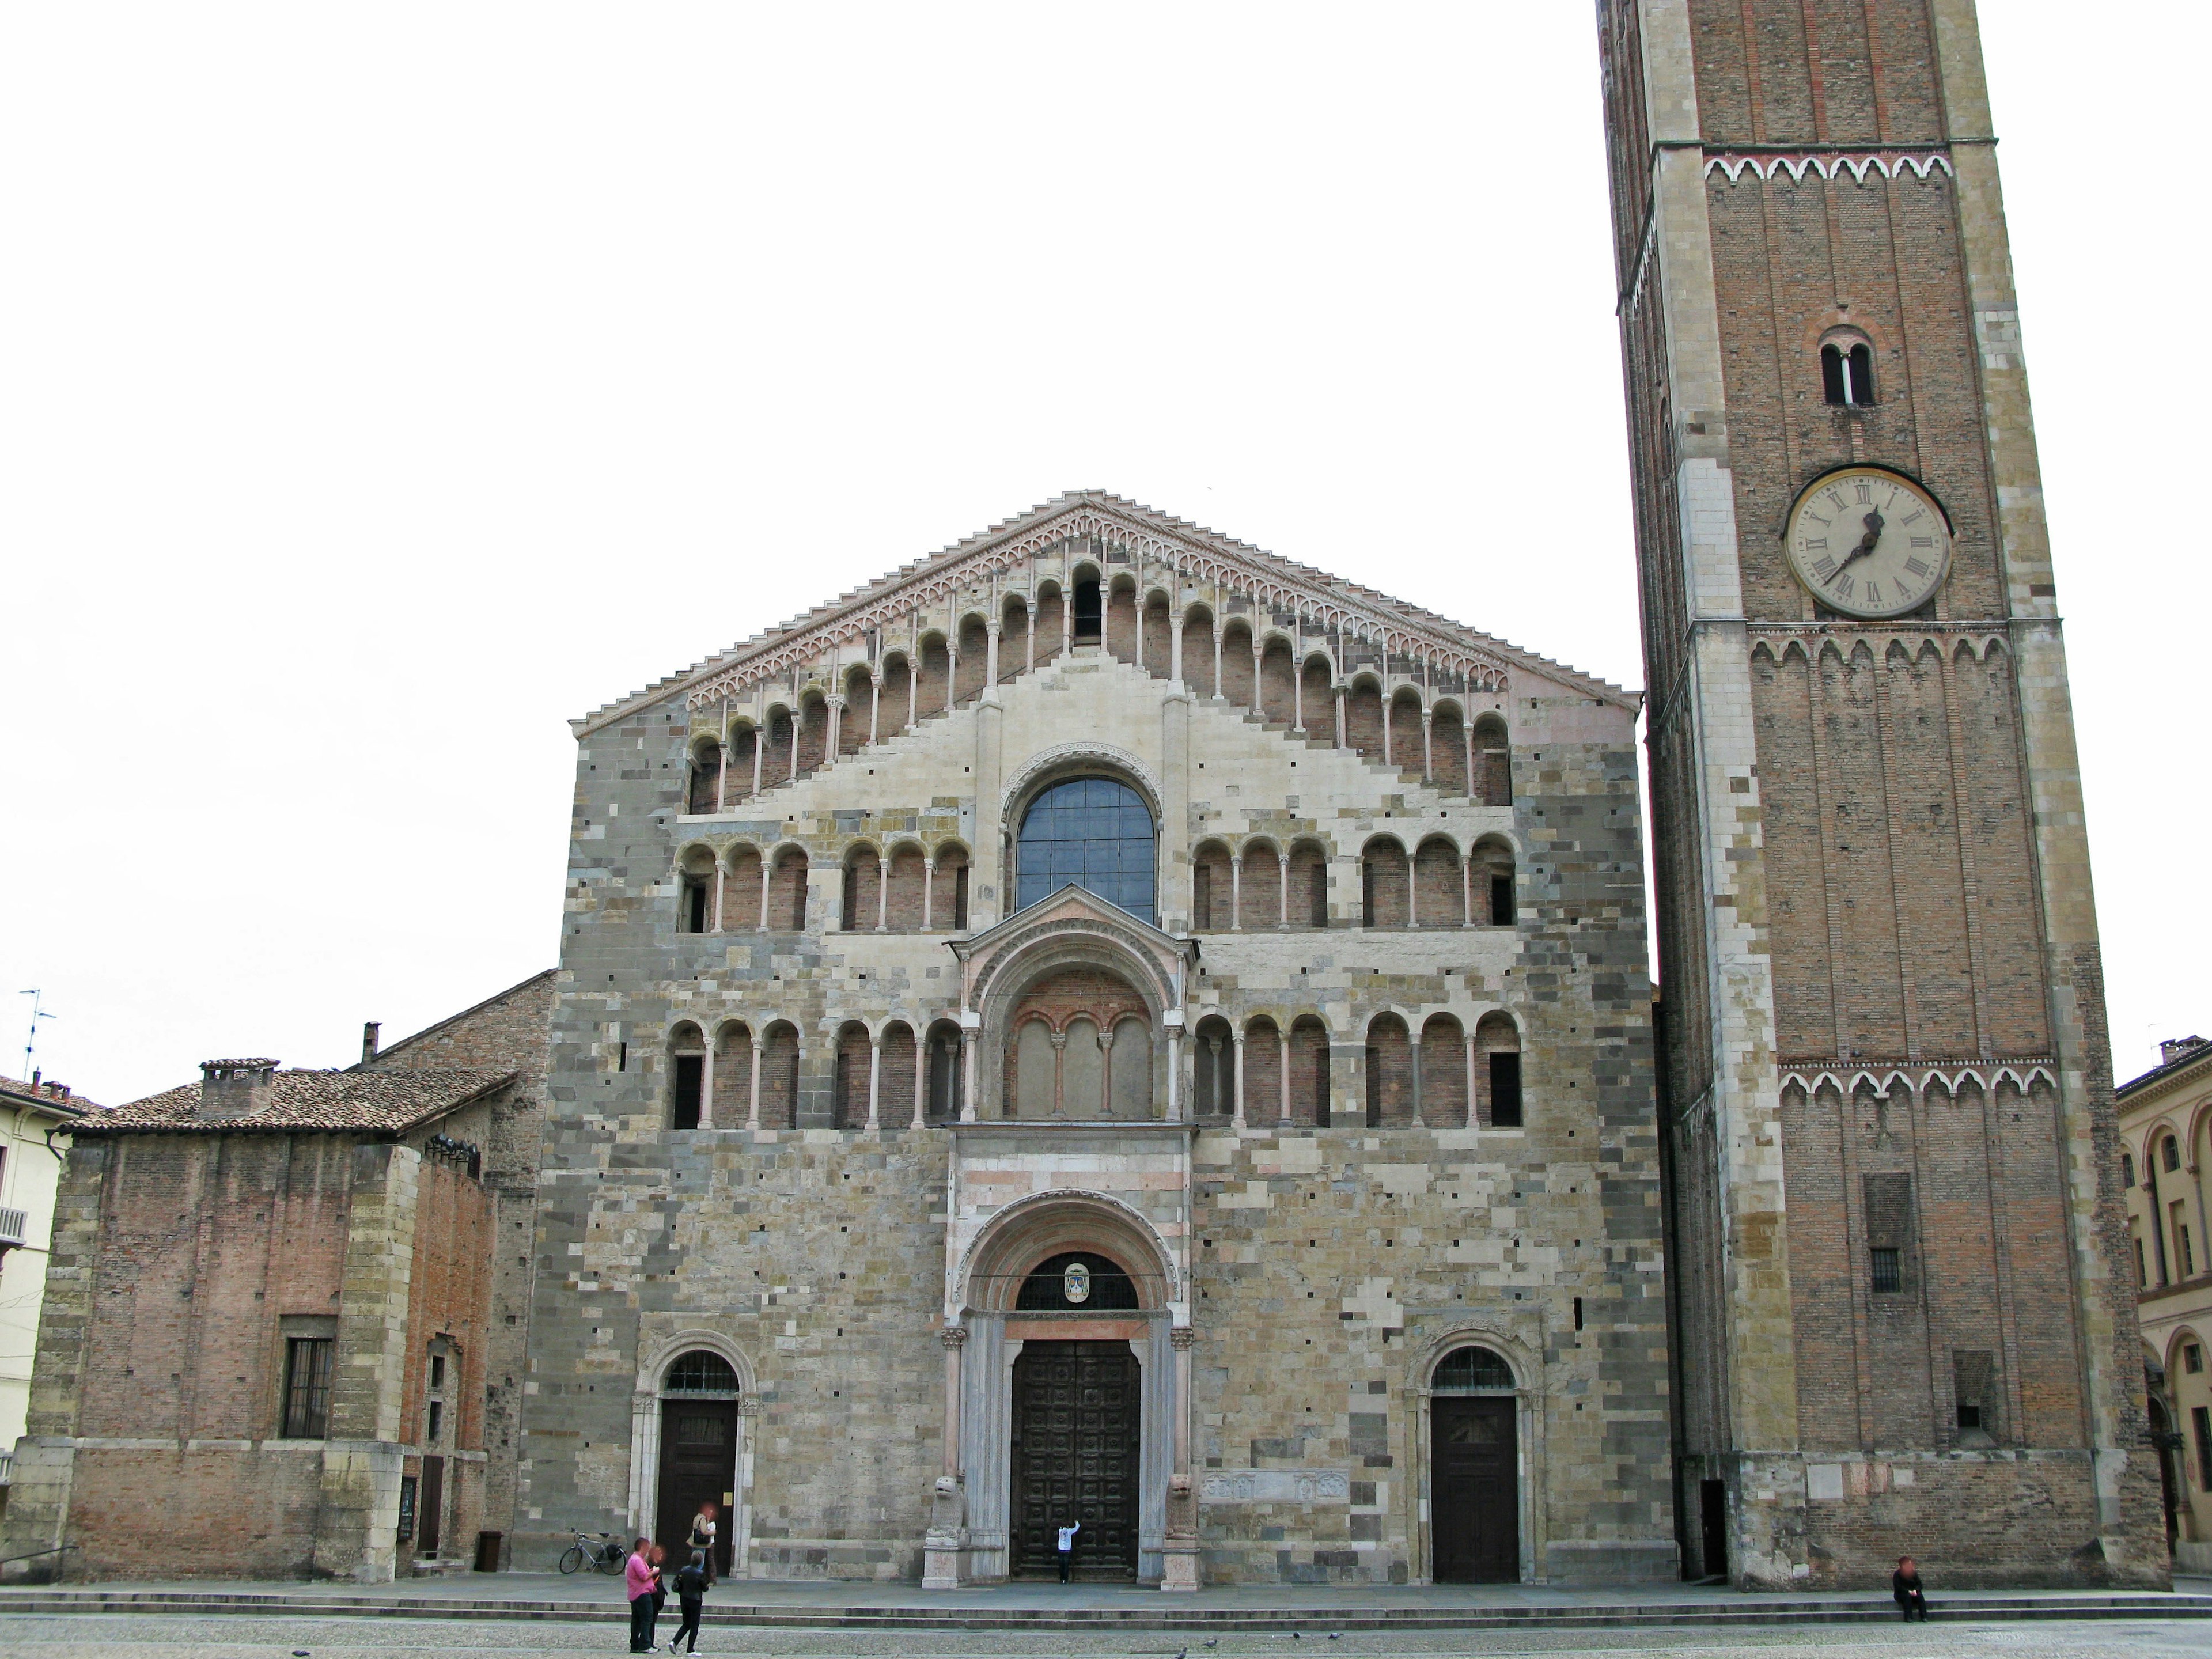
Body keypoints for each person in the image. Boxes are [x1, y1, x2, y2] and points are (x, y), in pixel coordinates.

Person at [668, 1548, 710, 1654]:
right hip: (695, 1600)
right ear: (701, 1561)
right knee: (694, 1625)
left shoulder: (684, 1570)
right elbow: (705, 1588)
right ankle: (690, 1650)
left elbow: (677, 1583)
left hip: (684, 1598)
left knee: (686, 1623)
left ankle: (674, 1642)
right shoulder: (700, 1573)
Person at [625, 1538, 657, 1654]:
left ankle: (635, 1644)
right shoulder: (637, 1560)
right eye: (647, 1548)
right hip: (641, 1593)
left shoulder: (635, 1559)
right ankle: (645, 1644)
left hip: (636, 1593)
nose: (648, 1551)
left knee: (637, 1620)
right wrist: (653, 1572)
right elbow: (644, 1576)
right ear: (642, 1547)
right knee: (647, 1618)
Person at [687, 1500, 719, 1588]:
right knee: (700, 1562)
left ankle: (701, 1579)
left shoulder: (697, 1517)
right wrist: (712, 1532)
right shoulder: (702, 1519)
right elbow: (704, 1531)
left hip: (697, 1543)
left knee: (697, 1560)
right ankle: (697, 1580)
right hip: (701, 1544)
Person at [1892, 1556, 1928, 1622]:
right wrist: (1908, 1592)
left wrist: (1916, 1590)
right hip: (1902, 1594)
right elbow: (1898, 1586)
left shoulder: (1914, 1574)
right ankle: (1908, 1617)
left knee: (1920, 1596)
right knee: (1907, 1597)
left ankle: (1924, 1616)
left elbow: (1919, 1584)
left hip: (1913, 1592)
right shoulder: (1897, 1574)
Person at [1054, 1518, 1081, 1584]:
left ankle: (1061, 1579)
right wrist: (1077, 1523)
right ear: (1068, 1526)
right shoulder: (1070, 1531)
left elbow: (1061, 1528)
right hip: (1067, 1550)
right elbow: (1076, 1528)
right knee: (1066, 1566)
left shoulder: (1060, 1531)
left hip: (1061, 1549)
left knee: (1061, 1565)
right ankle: (1065, 1579)